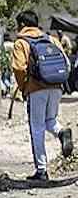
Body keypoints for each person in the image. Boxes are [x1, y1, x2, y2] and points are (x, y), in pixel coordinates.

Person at [12, 10, 74, 181]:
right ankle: (62, 132)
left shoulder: (21, 42)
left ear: (22, 24)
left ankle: (41, 170)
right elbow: (66, 63)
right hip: (56, 86)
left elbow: (19, 68)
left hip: (36, 89)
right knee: (50, 120)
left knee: (37, 127)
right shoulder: (51, 39)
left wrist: (24, 87)